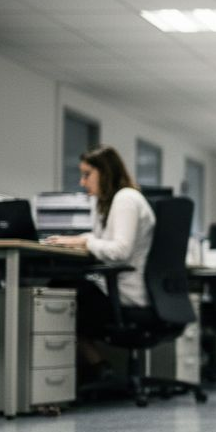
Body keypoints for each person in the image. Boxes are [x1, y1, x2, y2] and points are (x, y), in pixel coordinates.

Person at [44, 145, 155, 379]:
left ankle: (93, 366)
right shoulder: (112, 202)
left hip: (126, 294)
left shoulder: (125, 199)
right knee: (64, 286)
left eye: (87, 174)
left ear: (105, 172)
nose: (82, 182)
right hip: (123, 290)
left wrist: (84, 241)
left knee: (58, 289)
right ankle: (95, 366)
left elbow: (120, 251)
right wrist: (86, 240)